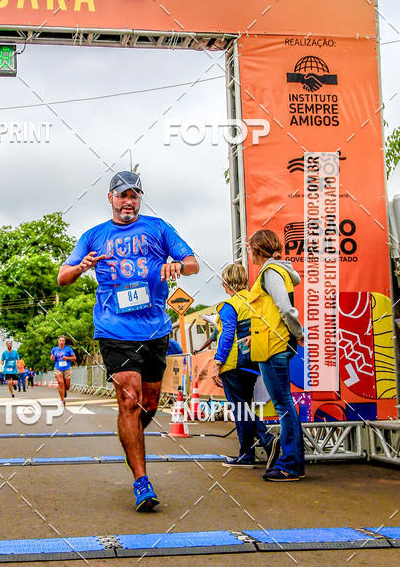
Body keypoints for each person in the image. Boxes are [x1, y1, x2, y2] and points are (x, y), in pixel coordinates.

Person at [57, 170, 199, 511]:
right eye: (122, 195)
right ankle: (142, 481)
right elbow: (63, 277)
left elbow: (193, 263)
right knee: (129, 398)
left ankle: (129, 430)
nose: (128, 201)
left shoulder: (159, 228)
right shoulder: (94, 236)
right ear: (110, 198)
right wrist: (82, 267)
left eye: (134, 195)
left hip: (154, 330)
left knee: (147, 403)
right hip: (114, 329)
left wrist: (177, 265)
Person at [248, 229, 305, 482]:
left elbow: (285, 307)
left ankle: (290, 464)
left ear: (257, 250)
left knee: (283, 406)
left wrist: (298, 332)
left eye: (249, 250)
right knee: (284, 405)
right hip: (271, 345)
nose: (248, 254)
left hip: (274, 347)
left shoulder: (270, 273)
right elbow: (272, 312)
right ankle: (291, 462)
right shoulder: (274, 272)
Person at [209, 264, 279, 470]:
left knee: (240, 409)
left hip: (233, 363)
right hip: (254, 362)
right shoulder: (256, 301)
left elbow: (227, 335)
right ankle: (254, 449)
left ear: (226, 283)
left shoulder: (229, 306)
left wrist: (217, 362)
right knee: (245, 407)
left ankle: (258, 446)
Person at [50, 336, 76, 405]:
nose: (61, 342)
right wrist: (52, 358)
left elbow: (74, 358)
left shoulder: (68, 349)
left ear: (64, 342)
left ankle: (64, 391)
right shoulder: (54, 349)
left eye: (63, 341)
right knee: (60, 382)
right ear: (58, 341)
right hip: (58, 368)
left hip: (67, 368)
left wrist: (67, 358)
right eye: (60, 340)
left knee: (67, 386)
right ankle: (62, 400)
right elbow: (52, 357)